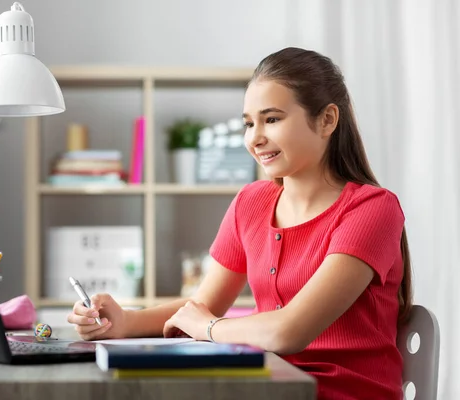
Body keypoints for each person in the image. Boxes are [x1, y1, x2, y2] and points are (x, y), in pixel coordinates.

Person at [67, 47, 412, 400]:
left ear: (327, 120)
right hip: (267, 388)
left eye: (272, 119)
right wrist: (123, 321)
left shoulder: (372, 210)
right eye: (249, 123)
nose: (255, 138)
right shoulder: (251, 202)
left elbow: (286, 332)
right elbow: (201, 305)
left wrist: (208, 328)